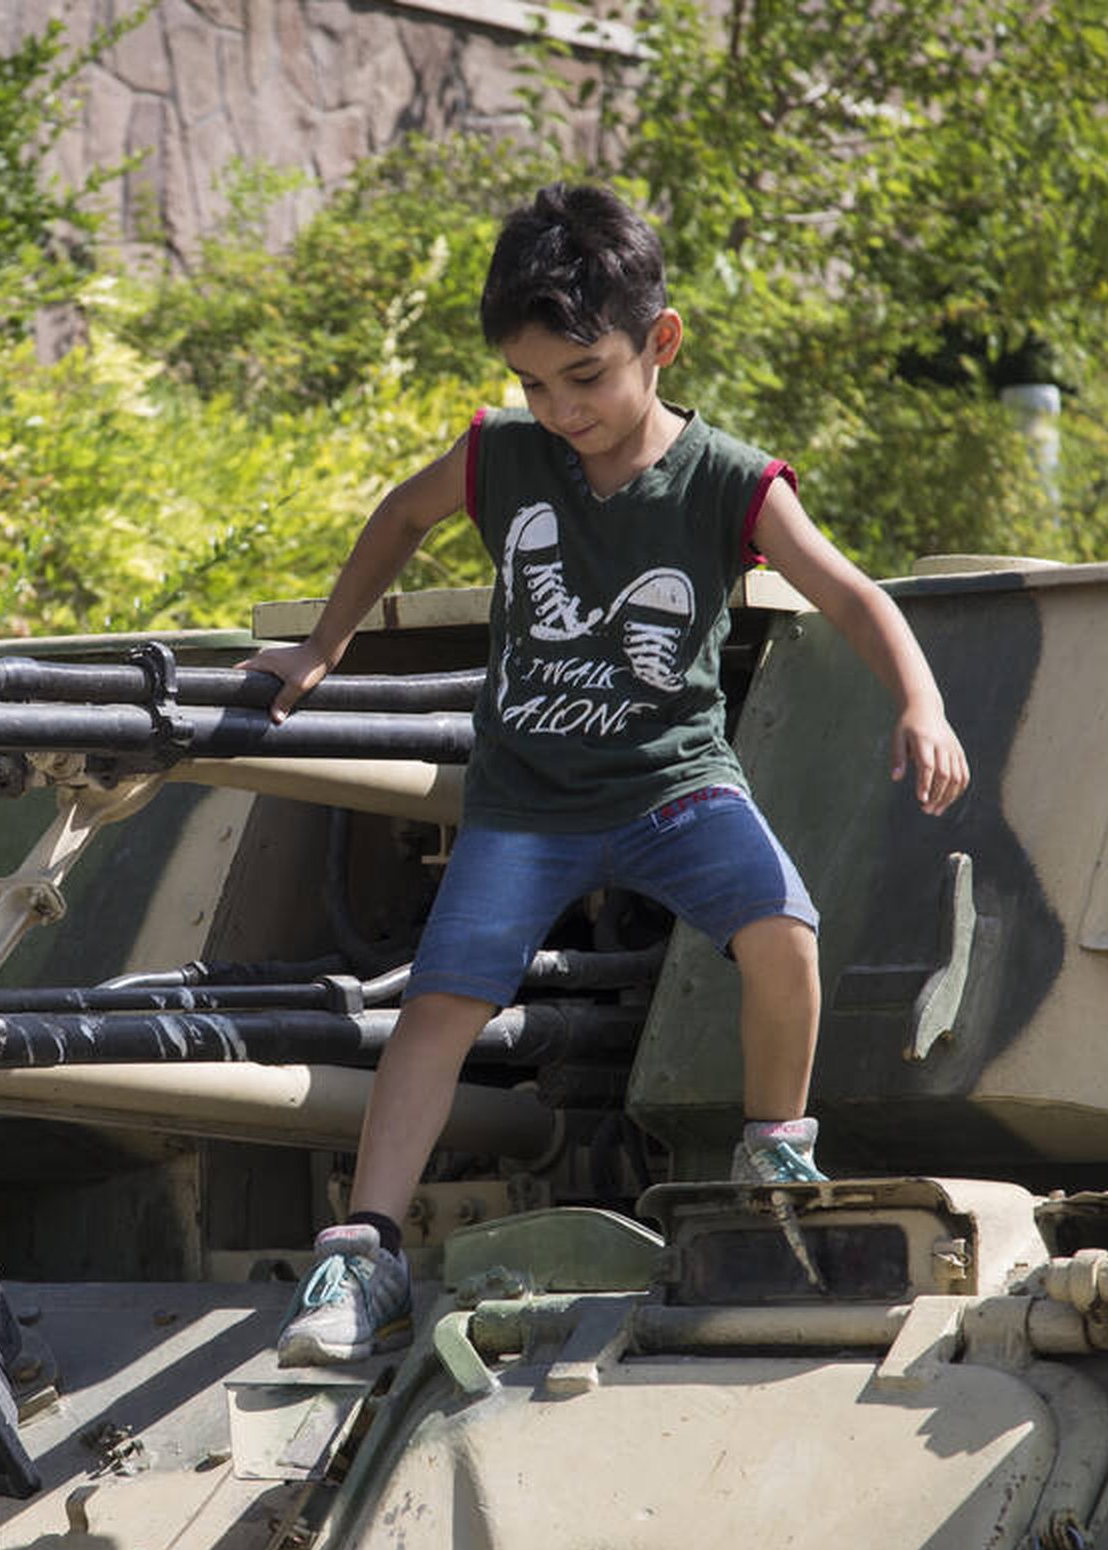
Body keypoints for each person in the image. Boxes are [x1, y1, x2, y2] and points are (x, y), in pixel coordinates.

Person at [243, 183, 970, 1367]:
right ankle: (361, 1253)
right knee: (437, 1008)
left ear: (658, 342)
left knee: (781, 926)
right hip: (526, 803)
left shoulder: (729, 480)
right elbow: (396, 517)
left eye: (583, 376)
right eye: (534, 382)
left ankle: (773, 1153)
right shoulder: (501, 456)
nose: (559, 406)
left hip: (670, 784)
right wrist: (325, 642)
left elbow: (851, 593)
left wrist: (920, 703)